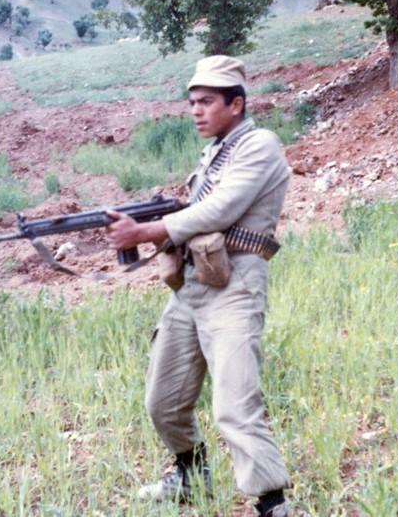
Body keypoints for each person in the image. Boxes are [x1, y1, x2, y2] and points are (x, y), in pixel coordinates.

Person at [107, 55, 292, 517]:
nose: (196, 111)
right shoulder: (216, 152)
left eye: (207, 102)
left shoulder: (260, 145)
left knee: (235, 406)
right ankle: (190, 476)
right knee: (163, 400)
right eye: (192, 102)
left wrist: (146, 231)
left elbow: (220, 210)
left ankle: (272, 504)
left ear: (236, 104)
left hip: (235, 287)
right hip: (192, 286)